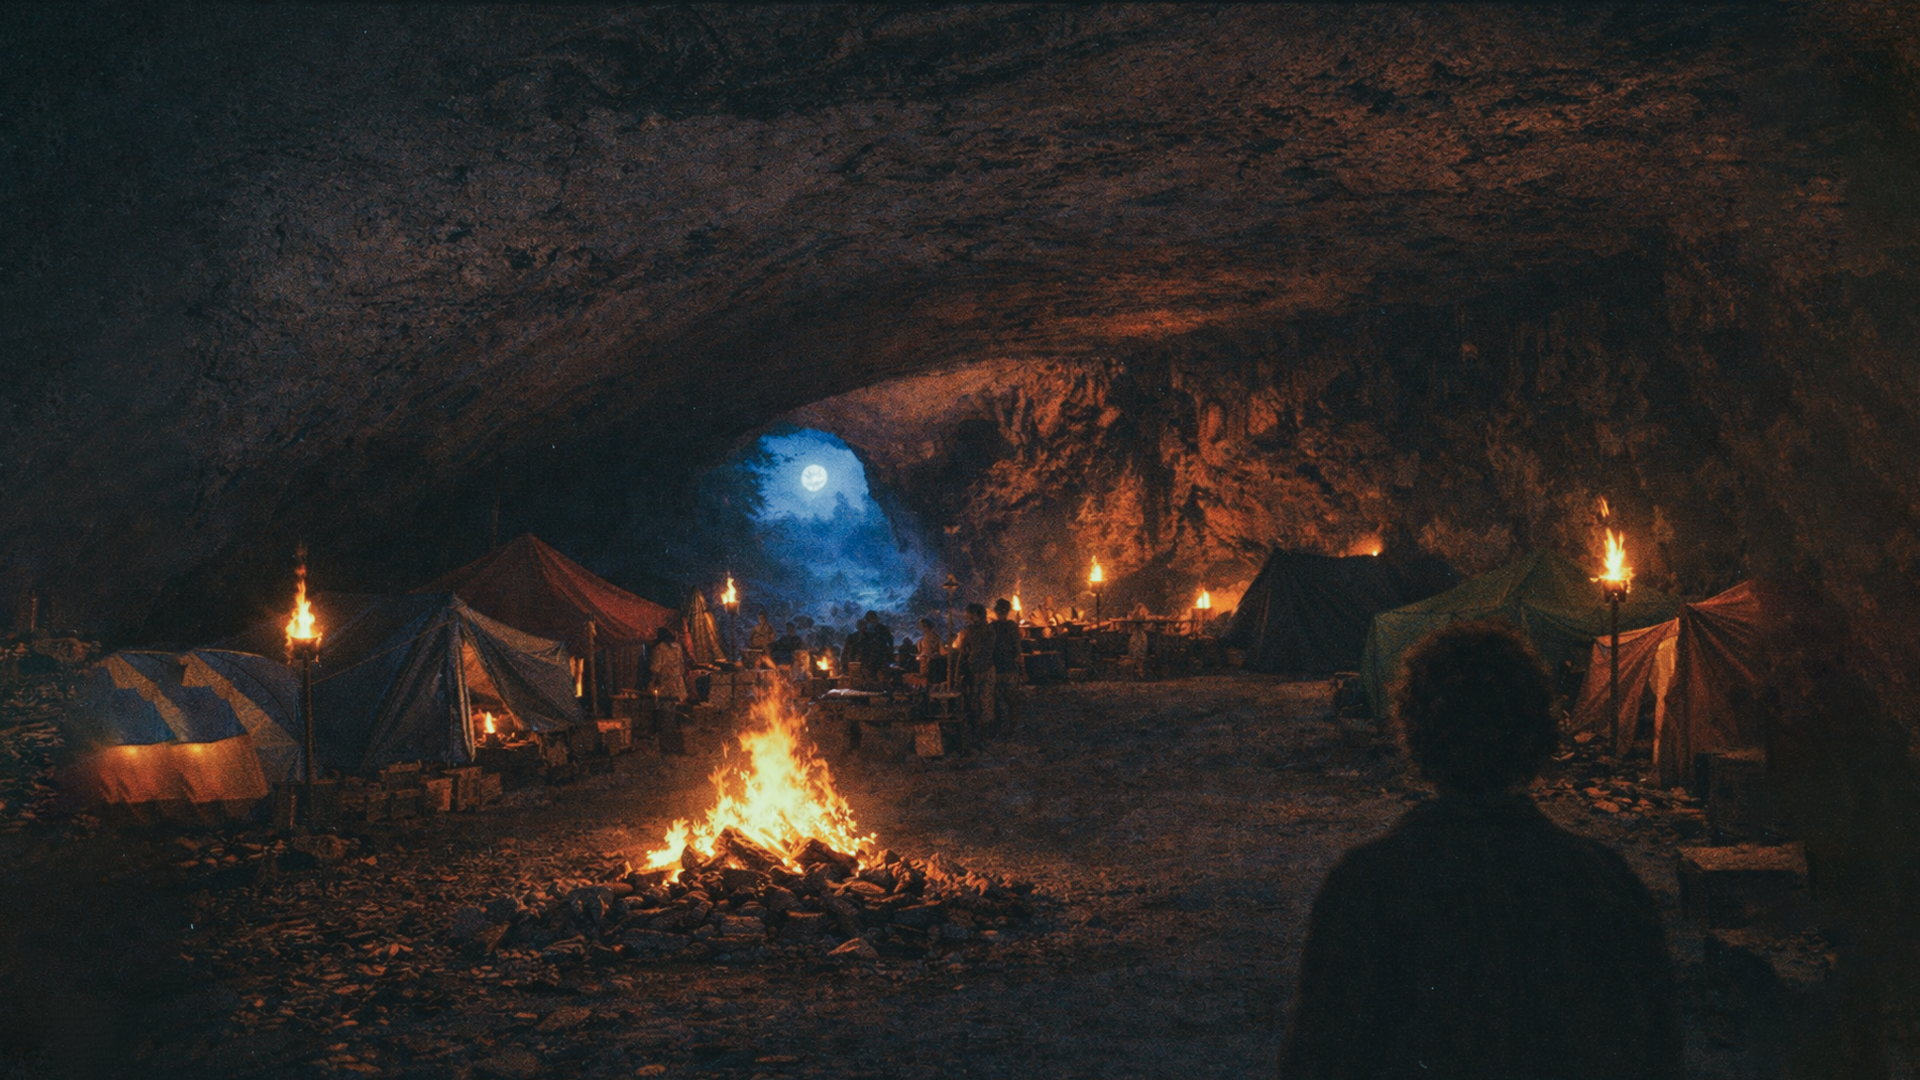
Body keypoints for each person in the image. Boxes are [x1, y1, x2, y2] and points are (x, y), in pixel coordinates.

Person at [1277, 621, 1681, 1080]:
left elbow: (1318, 1058)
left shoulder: (1369, 885)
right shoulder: (1607, 882)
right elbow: (1660, 1051)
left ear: (1416, 729)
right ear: (1538, 728)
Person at [955, 603, 996, 738]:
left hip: (976, 668)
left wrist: (957, 672)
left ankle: (978, 732)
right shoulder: (989, 630)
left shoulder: (969, 631)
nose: (966, 617)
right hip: (987, 667)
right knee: (986, 700)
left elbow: (961, 652)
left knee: (975, 700)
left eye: (968, 615)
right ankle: (984, 731)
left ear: (974, 615)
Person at [989, 598, 1023, 734]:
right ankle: (1011, 728)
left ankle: (998, 727)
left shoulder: (992, 627)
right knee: (1010, 700)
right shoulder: (1012, 626)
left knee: (997, 700)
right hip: (1009, 667)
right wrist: (1022, 670)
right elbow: (1018, 649)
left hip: (996, 667)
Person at [648, 626, 688, 705]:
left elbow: (655, 668)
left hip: (665, 686)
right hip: (678, 685)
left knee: (665, 709)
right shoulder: (678, 647)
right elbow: (681, 666)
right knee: (677, 709)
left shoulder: (659, 648)